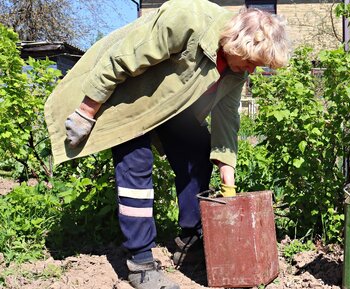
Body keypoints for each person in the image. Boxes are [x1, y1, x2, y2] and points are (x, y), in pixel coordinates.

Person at [44, 0, 289, 288]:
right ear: (239, 43)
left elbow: (226, 117)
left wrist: (227, 171)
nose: (252, 70)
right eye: (252, 62)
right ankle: (140, 262)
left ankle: (190, 240)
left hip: (171, 107)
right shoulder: (188, 20)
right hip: (126, 95)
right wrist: (87, 110)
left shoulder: (236, 69)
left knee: (197, 150)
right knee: (136, 162)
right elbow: (122, 57)